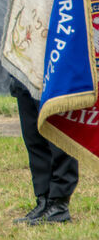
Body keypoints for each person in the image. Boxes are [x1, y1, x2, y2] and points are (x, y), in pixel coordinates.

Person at [10, 77, 77, 224]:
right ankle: (44, 201)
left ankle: (59, 204)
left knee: (59, 137)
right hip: (26, 65)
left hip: (55, 69)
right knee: (33, 137)